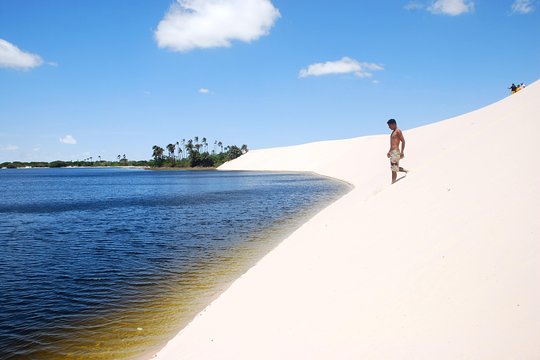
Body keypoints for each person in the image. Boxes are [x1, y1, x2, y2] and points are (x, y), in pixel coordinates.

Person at [387, 119, 407, 184]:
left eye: (390, 125)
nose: (389, 127)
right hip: (392, 152)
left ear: (394, 124)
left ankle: (393, 183)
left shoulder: (398, 131)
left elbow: (403, 141)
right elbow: (392, 144)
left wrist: (402, 152)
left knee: (393, 169)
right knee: (394, 168)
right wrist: (389, 152)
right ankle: (405, 170)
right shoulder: (393, 132)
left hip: (396, 152)